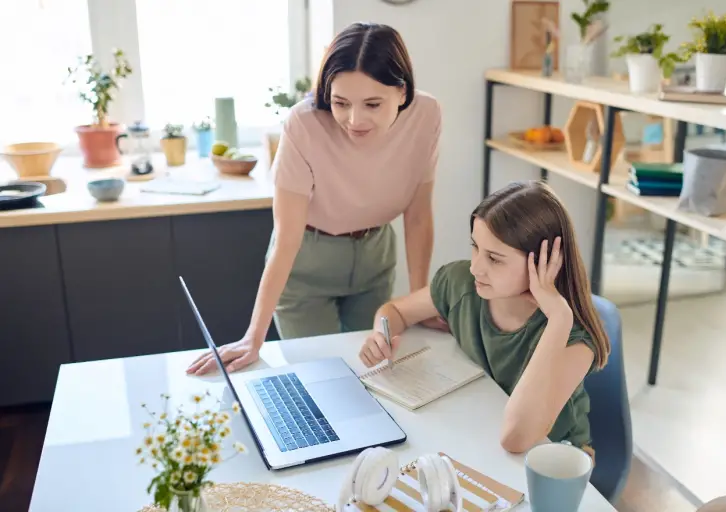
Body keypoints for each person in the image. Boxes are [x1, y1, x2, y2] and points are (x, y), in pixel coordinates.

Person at [188, 22, 445, 376]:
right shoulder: (304, 124)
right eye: (340, 103)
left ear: (402, 92)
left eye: (373, 103)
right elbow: (286, 237)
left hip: (375, 258)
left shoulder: (426, 115)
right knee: (319, 380)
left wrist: (419, 302)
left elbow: (418, 215)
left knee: (377, 376)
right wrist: (253, 337)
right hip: (306, 262)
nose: (355, 120)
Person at [359, 180, 610, 456]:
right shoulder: (461, 282)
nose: (476, 267)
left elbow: (516, 438)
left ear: (545, 262)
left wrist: (560, 318)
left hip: (554, 457)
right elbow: (395, 311)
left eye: (495, 258)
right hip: (481, 428)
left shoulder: (573, 339)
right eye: (475, 247)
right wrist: (379, 334)